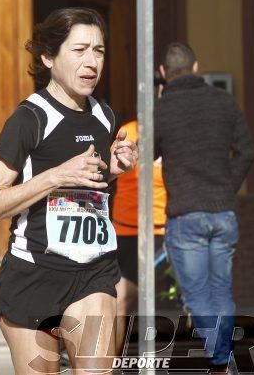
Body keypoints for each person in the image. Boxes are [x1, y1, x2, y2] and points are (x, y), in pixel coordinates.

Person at [0, 7, 138, 373]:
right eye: (79, 50)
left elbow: (86, 185)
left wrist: (113, 170)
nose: (92, 62)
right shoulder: (30, 118)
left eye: (99, 50)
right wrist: (56, 176)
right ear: (49, 57)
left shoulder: (104, 116)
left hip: (93, 270)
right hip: (34, 273)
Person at [154, 42, 254, 373]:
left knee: (197, 296)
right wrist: (227, 186)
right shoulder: (224, 102)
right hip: (223, 211)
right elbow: (246, 152)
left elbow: (146, 155)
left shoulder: (162, 109)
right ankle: (222, 358)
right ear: (197, 67)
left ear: (164, 73)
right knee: (221, 292)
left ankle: (219, 361)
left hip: (185, 213)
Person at [112, 120, 167, 353]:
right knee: (121, 300)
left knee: (132, 299)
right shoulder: (128, 131)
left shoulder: (171, 131)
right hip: (122, 230)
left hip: (159, 231)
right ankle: (111, 361)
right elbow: (108, 173)